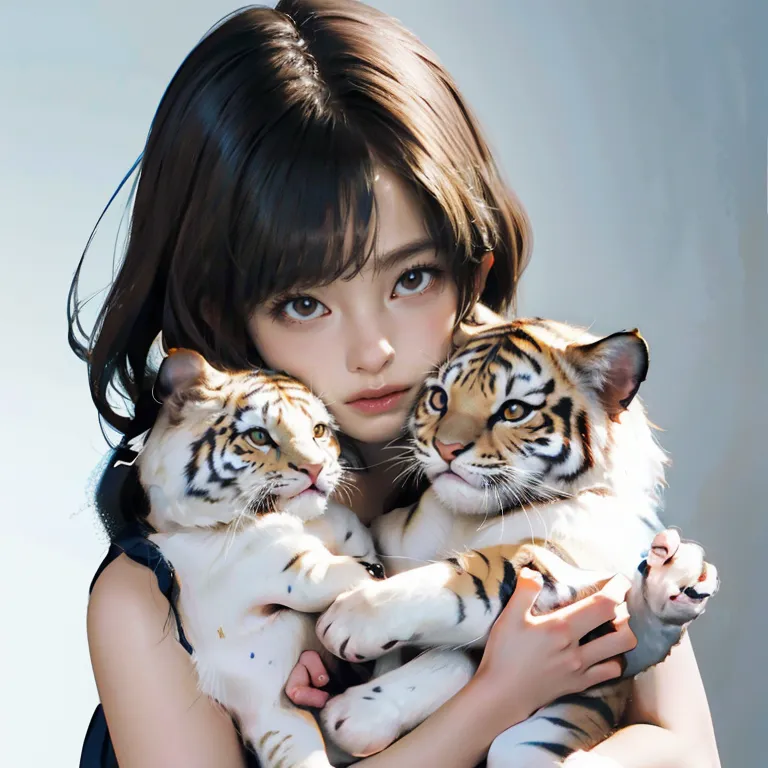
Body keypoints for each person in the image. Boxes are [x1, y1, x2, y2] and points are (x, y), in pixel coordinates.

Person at [69, 2, 721, 766]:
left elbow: (688, 751)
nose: (372, 349)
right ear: (228, 313)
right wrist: (494, 699)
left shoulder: (535, 474)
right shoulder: (153, 592)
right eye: (305, 303)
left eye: (411, 277)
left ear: (472, 269)